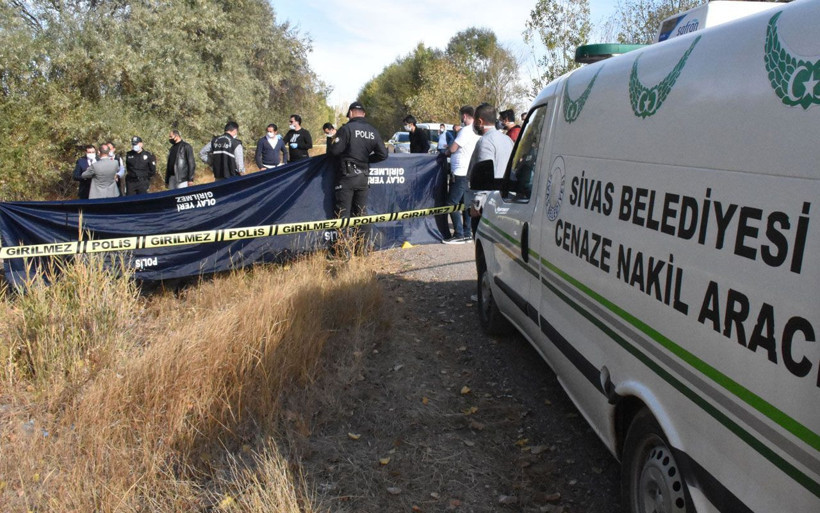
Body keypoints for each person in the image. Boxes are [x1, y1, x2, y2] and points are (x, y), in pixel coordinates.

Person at [327, 101, 388, 253]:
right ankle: (362, 250)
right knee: (361, 213)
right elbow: (383, 154)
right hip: (363, 177)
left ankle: (342, 251)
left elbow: (334, 151)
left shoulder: (346, 129)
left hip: (346, 177)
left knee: (343, 213)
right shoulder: (372, 131)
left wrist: (332, 141)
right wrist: (367, 160)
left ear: (352, 113)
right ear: (364, 114)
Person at [467, 103, 514, 236]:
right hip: (505, 202)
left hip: (487, 206)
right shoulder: (507, 140)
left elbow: (484, 177)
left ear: (480, 121)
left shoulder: (485, 142)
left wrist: (477, 203)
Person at [441, 106, 480, 244]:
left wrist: (446, 153)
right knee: (465, 204)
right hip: (467, 172)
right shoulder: (475, 131)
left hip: (460, 173)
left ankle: (458, 235)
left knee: (451, 203)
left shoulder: (465, 131)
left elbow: (453, 148)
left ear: (464, 116)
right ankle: (467, 233)